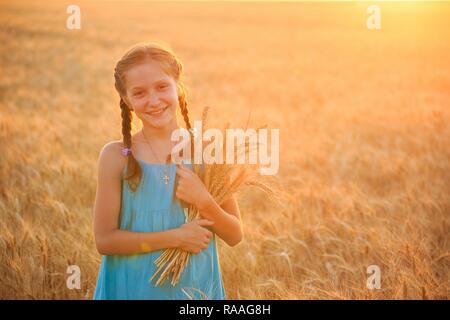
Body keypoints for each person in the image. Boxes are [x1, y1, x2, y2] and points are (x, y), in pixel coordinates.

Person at [92, 41, 243, 300]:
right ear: (126, 100)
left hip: (194, 289)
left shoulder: (207, 151)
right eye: (139, 93)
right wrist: (176, 238)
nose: (153, 100)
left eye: (162, 87)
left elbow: (235, 234)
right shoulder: (116, 156)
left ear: (179, 88)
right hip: (133, 288)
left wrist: (204, 200)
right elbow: (105, 241)